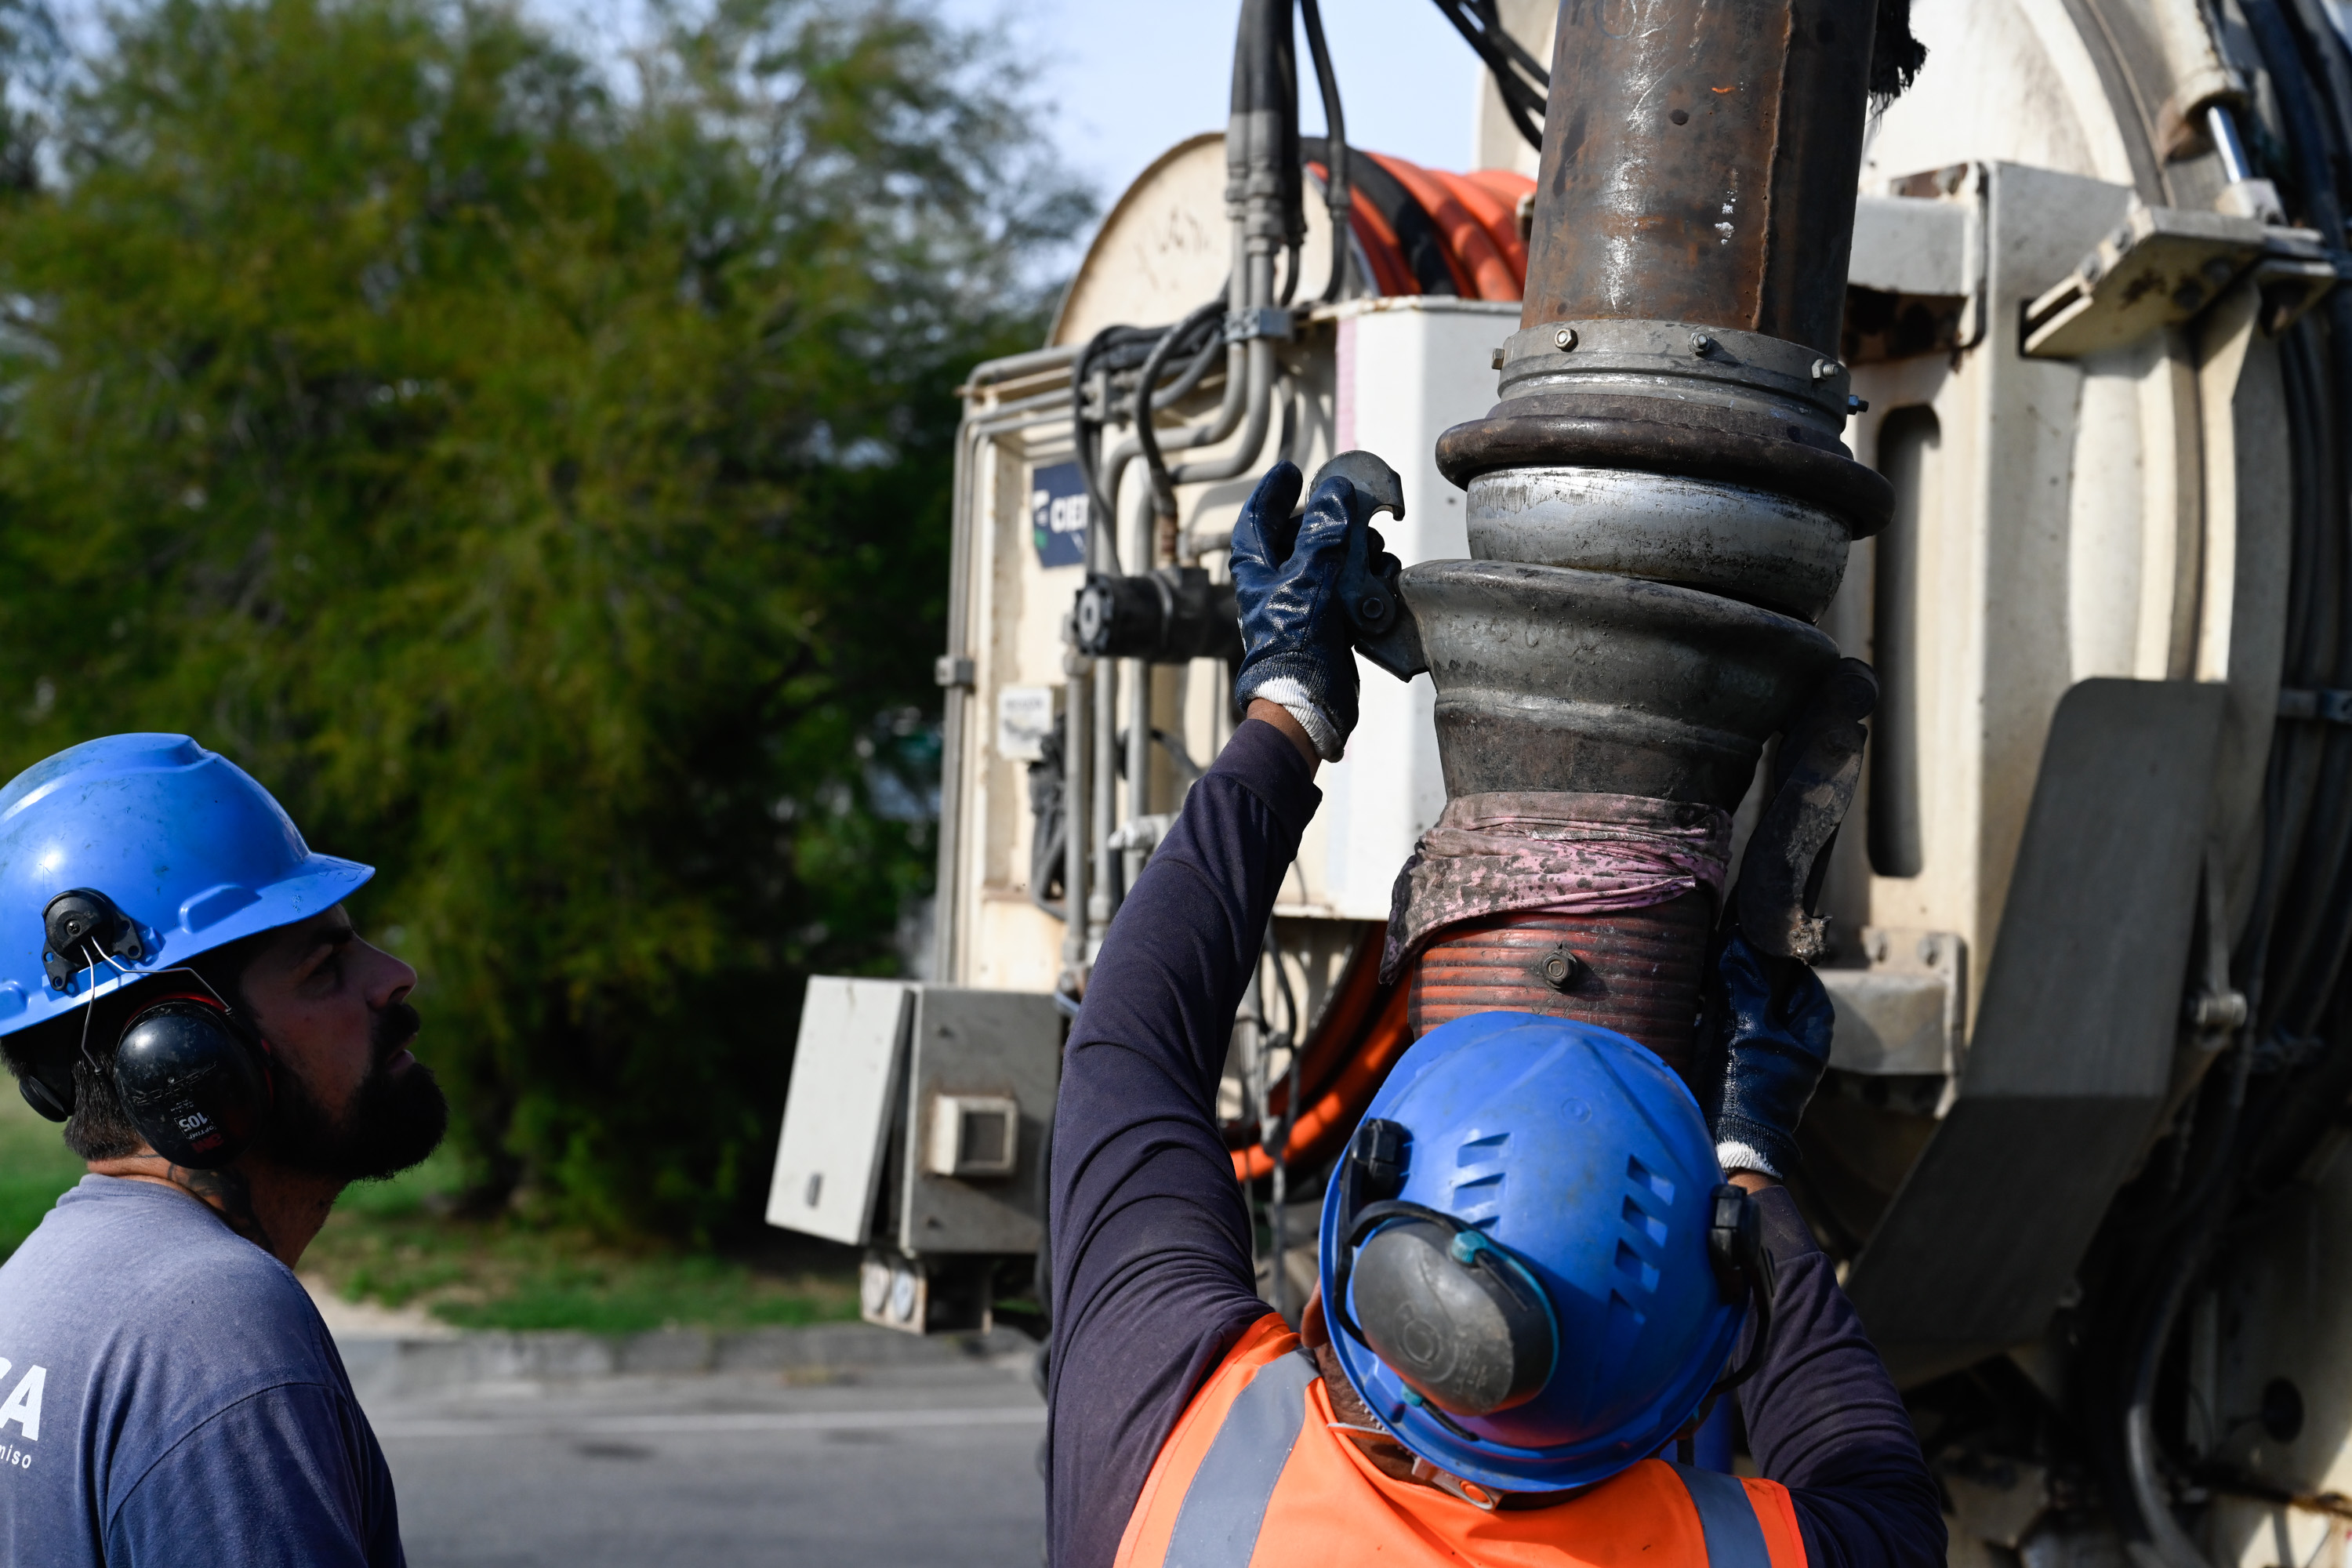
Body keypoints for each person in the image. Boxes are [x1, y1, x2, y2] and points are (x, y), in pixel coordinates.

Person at [1044, 462, 1947, 1566]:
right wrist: (1750, 1147)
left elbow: (1126, 1053)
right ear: (1691, 1350)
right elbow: (1883, 1498)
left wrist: (1291, 706)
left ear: (1371, 1217)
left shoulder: (1175, 1455)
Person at [0, 733, 442, 1566]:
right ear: (182, 1056)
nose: (395, 974)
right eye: (324, 965)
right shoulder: (216, 1331)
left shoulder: (33, 1289)